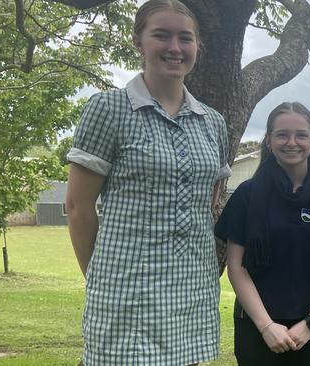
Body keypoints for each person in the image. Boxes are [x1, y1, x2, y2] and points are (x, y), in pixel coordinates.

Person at [65, 1, 230, 365]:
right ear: (139, 42)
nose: (174, 47)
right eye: (162, 35)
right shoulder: (109, 109)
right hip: (126, 295)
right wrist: (100, 279)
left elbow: (209, 201)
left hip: (191, 293)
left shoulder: (212, 123)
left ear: (197, 47)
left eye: (185, 38)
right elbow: (77, 207)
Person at [214, 102, 310, 366]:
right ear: (269, 140)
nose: (291, 142)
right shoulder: (247, 195)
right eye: (282, 134)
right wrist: (266, 326)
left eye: (301, 135)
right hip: (256, 329)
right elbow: (237, 269)